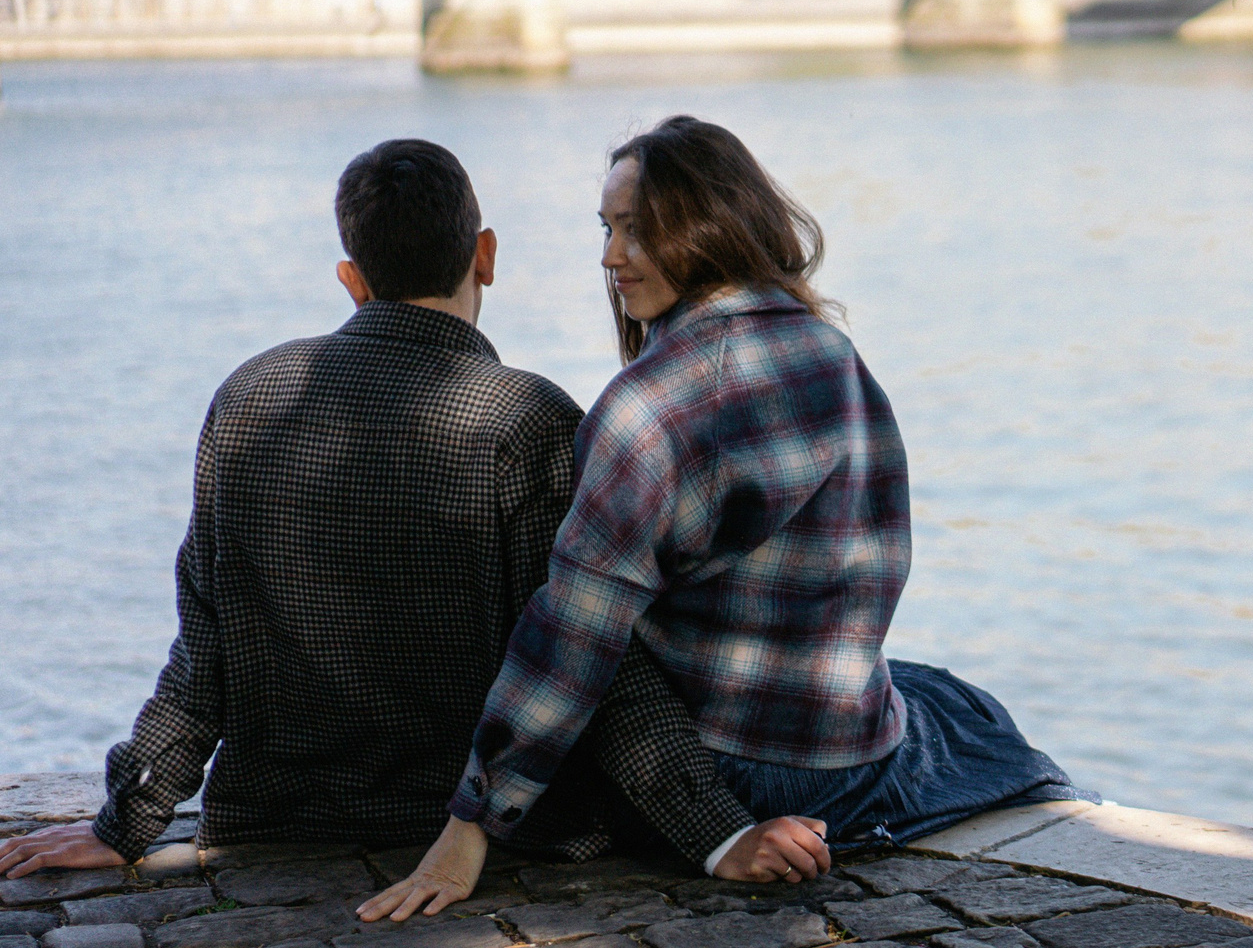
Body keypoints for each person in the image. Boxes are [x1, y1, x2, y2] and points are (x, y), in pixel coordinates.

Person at [0, 139, 822, 884]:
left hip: (279, 820)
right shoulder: (528, 421)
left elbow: (203, 645)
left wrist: (127, 820)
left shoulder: (248, 398)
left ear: (350, 277)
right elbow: (592, 655)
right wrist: (721, 834)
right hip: (485, 835)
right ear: (485, 255)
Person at [364, 117, 1079, 921]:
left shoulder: (648, 406)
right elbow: (879, 566)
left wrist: (471, 822)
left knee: (941, 698)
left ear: (709, 225)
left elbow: (572, 630)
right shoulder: (830, 352)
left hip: (713, 765)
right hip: (839, 757)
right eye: (607, 228)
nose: (609, 255)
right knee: (958, 705)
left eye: (637, 229)